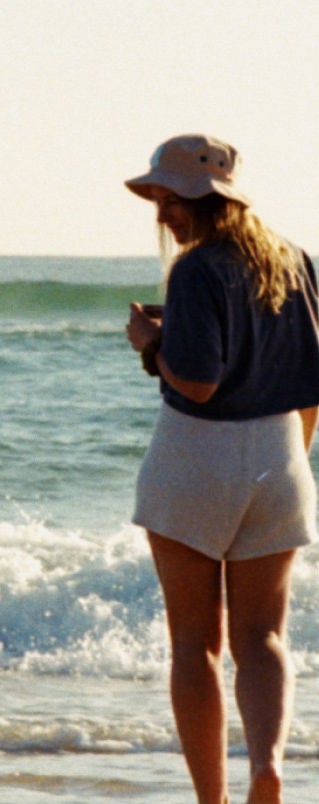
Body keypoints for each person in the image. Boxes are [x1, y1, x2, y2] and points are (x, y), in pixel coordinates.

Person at [124, 134, 319, 804]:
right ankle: (267, 765)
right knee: (264, 636)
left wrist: (153, 344)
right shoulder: (296, 260)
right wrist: (295, 457)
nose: (161, 213)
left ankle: (213, 801)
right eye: (157, 197)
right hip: (280, 452)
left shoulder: (198, 269)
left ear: (206, 199)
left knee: (194, 645)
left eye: (170, 198)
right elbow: (311, 380)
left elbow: (198, 381)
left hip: (195, 454)